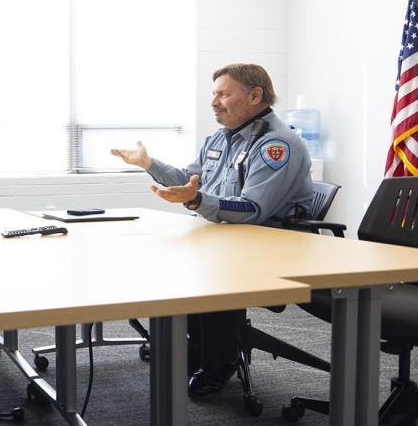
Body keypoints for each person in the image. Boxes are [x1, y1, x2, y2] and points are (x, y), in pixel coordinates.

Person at [111, 63, 314, 399]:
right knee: (175, 258)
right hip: (227, 238)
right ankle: (196, 348)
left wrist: (196, 201)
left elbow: (251, 210)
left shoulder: (277, 145)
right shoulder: (219, 140)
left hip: (269, 245)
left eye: (223, 93)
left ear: (255, 95)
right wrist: (149, 164)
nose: (214, 102)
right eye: (214, 94)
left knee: (209, 271)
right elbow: (189, 182)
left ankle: (219, 362)